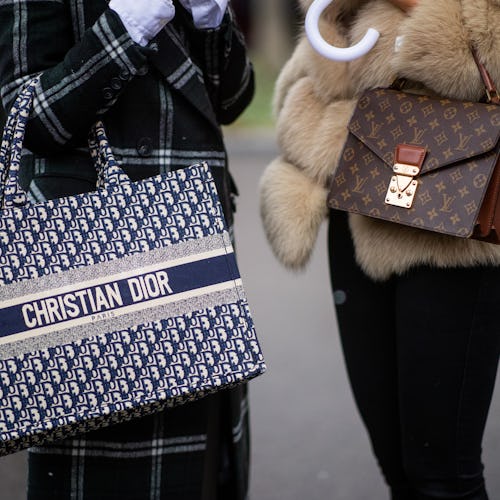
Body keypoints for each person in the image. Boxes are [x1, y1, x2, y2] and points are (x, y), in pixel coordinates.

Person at [0, 1, 254, 499]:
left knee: (206, 473)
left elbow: (233, 102)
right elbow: (25, 119)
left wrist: (210, 19)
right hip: (99, 271)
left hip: (197, 263)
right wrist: (128, 24)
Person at [259, 0, 500, 499]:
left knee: (442, 475)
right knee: (398, 469)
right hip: (357, 195)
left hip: (456, 225)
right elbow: (317, 69)